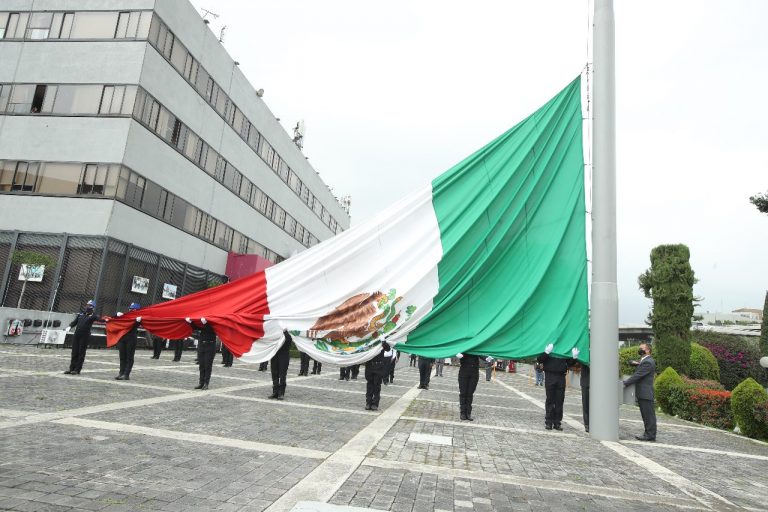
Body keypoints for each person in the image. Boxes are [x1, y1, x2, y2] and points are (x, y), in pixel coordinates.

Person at [537, 343, 579, 431]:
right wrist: (546, 352)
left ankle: (557, 423)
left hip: (561, 376)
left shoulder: (564, 347)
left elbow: (569, 363)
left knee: (559, 400)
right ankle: (548, 422)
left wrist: (574, 358)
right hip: (550, 375)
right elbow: (540, 360)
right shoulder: (549, 345)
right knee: (550, 400)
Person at [623, 343, 656, 441]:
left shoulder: (648, 362)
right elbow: (631, 362)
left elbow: (638, 375)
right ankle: (648, 433)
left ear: (648, 350)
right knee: (645, 415)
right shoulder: (644, 361)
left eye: (641, 348)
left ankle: (650, 435)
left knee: (648, 415)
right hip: (643, 393)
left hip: (645, 393)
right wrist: (636, 363)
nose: (639, 350)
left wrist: (625, 383)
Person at [64, 300, 101, 375]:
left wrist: (114, 317)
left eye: (90, 306)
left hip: (85, 336)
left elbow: (101, 319)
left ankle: (77, 369)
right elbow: (75, 322)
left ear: (93, 308)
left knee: (81, 352)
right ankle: (71, 368)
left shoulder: (93, 316)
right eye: (87, 305)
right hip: (77, 334)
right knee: (74, 352)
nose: (87, 307)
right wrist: (69, 327)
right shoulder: (81, 314)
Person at [115, 303, 141, 380]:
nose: (130, 310)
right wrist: (116, 315)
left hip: (131, 338)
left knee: (129, 357)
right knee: (122, 356)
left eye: (132, 309)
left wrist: (138, 321)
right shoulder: (125, 316)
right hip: (122, 338)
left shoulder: (138, 318)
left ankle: (126, 374)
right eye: (130, 308)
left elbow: (137, 324)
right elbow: (113, 319)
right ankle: (121, 373)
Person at [187, 317, 215, 390]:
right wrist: (191, 322)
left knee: (207, 365)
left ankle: (206, 383)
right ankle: (201, 383)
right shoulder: (203, 324)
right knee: (201, 365)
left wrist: (206, 323)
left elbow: (212, 330)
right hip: (201, 345)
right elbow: (196, 327)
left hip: (210, 345)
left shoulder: (213, 322)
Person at [365, 341, 390, 410]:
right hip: (369, 365)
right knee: (369, 385)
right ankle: (368, 403)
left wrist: (383, 342)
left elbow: (388, 349)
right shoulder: (368, 340)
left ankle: (375, 404)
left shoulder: (381, 341)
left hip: (379, 366)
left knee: (377, 386)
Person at [456, 353, 479, 420]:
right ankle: (462, 413)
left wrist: (487, 357)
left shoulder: (476, 346)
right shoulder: (465, 346)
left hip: (474, 373)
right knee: (463, 393)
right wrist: (458, 354)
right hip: (464, 372)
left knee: (470, 393)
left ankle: (468, 413)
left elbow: (481, 353)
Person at [269, 330, 291, 400]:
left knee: (282, 375)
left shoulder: (288, 333)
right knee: (274, 373)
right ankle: (275, 391)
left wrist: (284, 332)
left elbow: (288, 340)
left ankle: (281, 393)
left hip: (284, 355)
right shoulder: (275, 332)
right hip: (274, 355)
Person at [580, 363, 590, 432]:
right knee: (586, 404)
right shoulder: (585, 352)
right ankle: (587, 424)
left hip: (598, 381)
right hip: (586, 381)